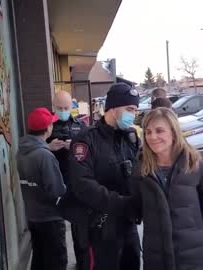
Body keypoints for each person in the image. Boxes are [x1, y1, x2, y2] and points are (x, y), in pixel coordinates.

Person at [129, 108, 203, 270]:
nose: (152, 137)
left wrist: (194, 230)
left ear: (174, 132)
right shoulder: (141, 169)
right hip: (157, 257)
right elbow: (136, 206)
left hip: (193, 257)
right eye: (148, 132)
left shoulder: (194, 165)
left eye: (159, 131)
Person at [68, 83, 141, 270]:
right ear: (113, 108)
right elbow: (82, 184)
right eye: (129, 109)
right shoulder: (86, 139)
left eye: (135, 110)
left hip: (128, 223)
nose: (133, 115)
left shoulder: (131, 137)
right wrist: (122, 203)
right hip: (100, 226)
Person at [17, 107, 67, 270]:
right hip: (50, 218)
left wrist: (47, 147)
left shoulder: (22, 151)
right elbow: (57, 190)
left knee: (39, 259)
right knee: (56, 262)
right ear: (48, 128)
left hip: (33, 216)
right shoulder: (44, 156)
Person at [47, 91, 87, 269]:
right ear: (53, 106)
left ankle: (81, 262)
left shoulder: (80, 125)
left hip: (75, 181)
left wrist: (75, 147)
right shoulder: (47, 125)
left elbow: (89, 152)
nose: (63, 111)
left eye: (66, 108)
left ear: (72, 106)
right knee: (56, 227)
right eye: (59, 108)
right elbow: (36, 147)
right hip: (53, 181)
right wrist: (48, 147)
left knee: (79, 226)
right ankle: (58, 263)